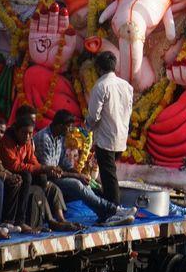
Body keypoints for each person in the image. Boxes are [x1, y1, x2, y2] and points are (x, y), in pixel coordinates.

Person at [32, 109, 134, 226]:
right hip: (45, 178)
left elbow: (64, 163)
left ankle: (106, 214)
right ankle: (112, 210)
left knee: (86, 183)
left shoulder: (59, 137)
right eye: (68, 127)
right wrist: (77, 176)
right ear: (60, 126)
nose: (70, 131)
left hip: (56, 175)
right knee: (77, 185)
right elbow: (50, 171)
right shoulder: (44, 138)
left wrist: (79, 174)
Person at [85, 51, 134, 206]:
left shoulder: (100, 86)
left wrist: (86, 129)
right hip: (121, 138)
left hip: (106, 139)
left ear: (99, 68)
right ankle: (109, 206)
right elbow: (129, 111)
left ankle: (113, 209)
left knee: (108, 177)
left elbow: (93, 116)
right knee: (109, 175)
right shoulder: (126, 86)